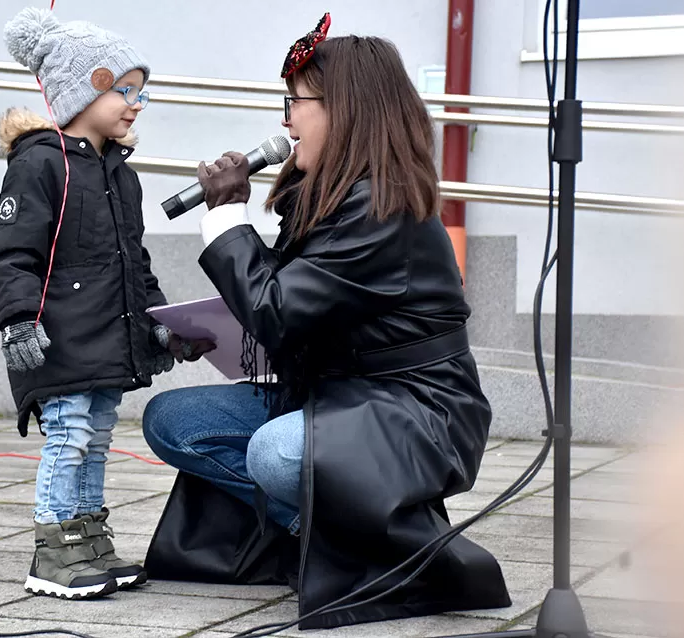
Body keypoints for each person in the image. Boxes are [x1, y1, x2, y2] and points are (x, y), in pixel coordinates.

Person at [140, 14, 512, 630]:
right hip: (335, 397)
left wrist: (227, 217)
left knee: (276, 453)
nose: (285, 122)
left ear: (345, 110)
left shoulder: (382, 207)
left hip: (414, 409)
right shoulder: (327, 196)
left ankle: (396, 558)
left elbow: (278, 309)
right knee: (172, 420)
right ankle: (318, 533)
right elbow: (289, 304)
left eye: (296, 103)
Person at [0, 6, 212, 601]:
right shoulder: (39, 163)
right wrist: (18, 320)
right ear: (83, 88)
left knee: (98, 438)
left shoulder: (119, 174)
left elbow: (134, 263)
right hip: (59, 340)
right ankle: (52, 550)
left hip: (109, 340)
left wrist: (160, 325)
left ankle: (88, 541)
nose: (136, 104)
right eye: (124, 90)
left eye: (141, 92)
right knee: (69, 437)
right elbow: (11, 255)